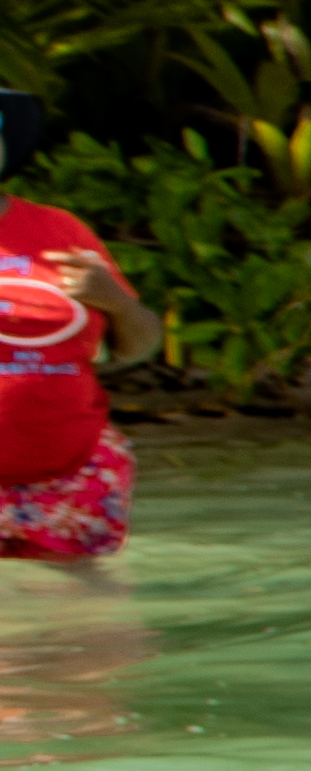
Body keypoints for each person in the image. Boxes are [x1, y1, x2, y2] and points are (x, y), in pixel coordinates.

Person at [0, 98, 163, 568]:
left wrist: (113, 299)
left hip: (70, 480)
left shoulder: (58, 229)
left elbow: (140, 346)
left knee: (81, 627)